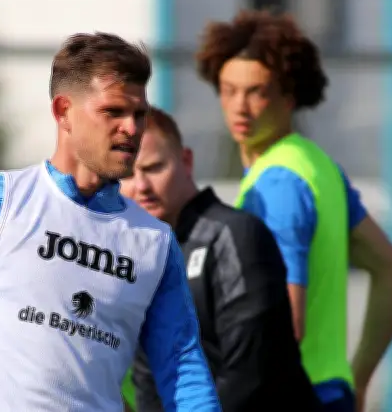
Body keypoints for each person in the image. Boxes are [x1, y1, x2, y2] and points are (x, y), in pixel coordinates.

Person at [0, 32, 220, 412]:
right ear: (63, 111)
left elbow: (182, 367)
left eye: (139, 114)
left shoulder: (155, 243)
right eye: (114, 112)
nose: (132, 128)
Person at [194, 10, 392, 412]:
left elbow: (284, 325)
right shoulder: (317, 167)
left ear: (289, 96)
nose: (240, 106)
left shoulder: (277, 183)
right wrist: (357, 379)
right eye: (228, 90)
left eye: (256, 91)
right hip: (330, 392)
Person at [119, 107, 322, 411]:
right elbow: (149, 383)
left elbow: (250, 373)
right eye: (127, 174)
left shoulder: (235, 235)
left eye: (154, 168)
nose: (142, 186)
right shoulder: (143, 261)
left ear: (186, 161)